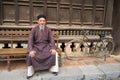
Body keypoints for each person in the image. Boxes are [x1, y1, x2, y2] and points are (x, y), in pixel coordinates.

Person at [26, 14, 59, 79]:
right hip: (36, 46)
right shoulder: (34, 29)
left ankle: (53, 69)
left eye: (43, 21)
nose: (42, 22)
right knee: (30, 55)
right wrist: (30, 50)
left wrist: (53, 48)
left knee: (54, 53)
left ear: (45, 21)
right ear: (37, 21)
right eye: (40, 21)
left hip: (45, 46)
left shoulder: (48, 29)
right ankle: (30, 72)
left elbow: (51, 39)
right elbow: (30, 40)